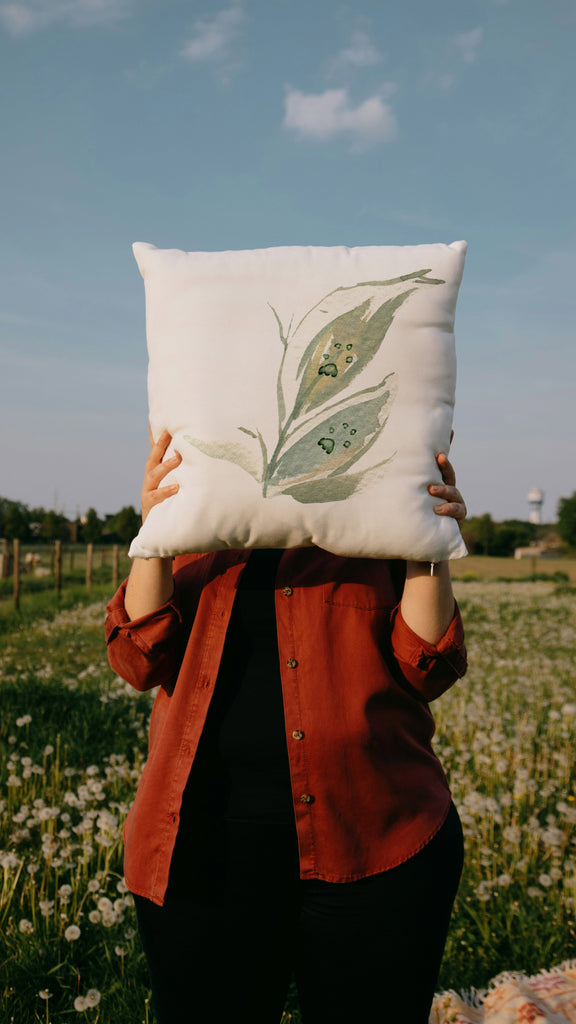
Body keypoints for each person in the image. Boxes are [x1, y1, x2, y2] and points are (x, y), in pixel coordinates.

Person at [105, 428, 468, 1024]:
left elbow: (428, 666)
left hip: (376, 842)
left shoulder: (372, 525)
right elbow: (136, 660)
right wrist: (155, 532)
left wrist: (430, 538)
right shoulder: (201, 527)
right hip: (204, 851)